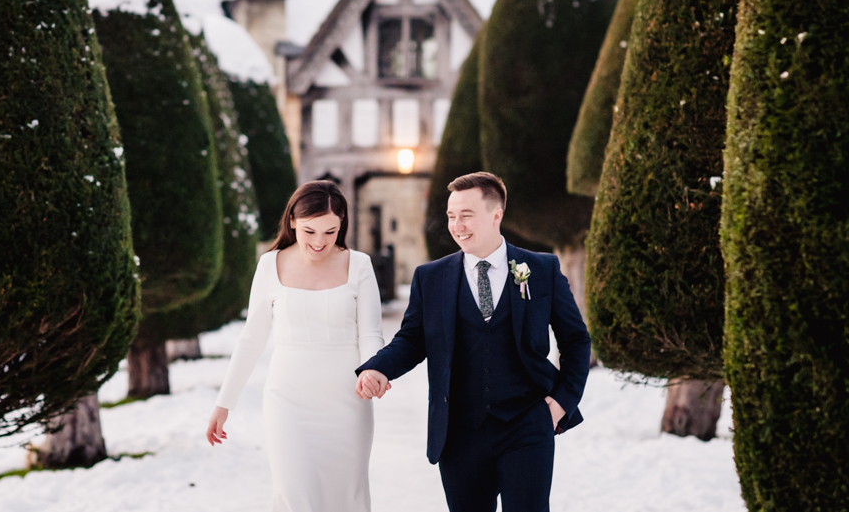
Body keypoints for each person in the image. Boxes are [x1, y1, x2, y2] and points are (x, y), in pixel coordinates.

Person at [356, 172, 592, 512]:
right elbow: (412, 339)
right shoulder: (430, 277)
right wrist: (378, 368)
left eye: (466, 215)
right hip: (459, 433)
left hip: (526, 424)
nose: (457, 226)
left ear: (496, 215)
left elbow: (576, 339)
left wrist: (560, 403)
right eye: (451, 216)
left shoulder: (541, 269)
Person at [206, 180, 385, 512]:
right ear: (292, 221)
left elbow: (371, 333)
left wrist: (372, 369)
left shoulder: (359, 265)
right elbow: (251, 339)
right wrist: (224, 403)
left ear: (342, 225)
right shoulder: (269, 265)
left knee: (346, 497)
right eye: (309, 231)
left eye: (330, 232)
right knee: (293, 493)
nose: (319, 242)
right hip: (288, 401)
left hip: (347, 401)